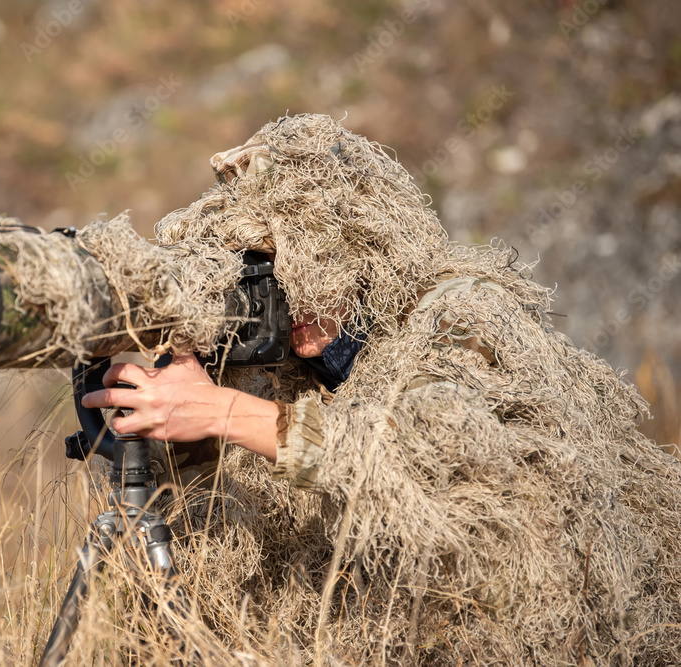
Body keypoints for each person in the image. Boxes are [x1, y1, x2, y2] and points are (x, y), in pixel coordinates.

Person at [78, 114, 681, 665]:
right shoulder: (282, 362)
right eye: (265, 269)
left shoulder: (464, 315)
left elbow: (423, 459)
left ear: (367, 253)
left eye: (311, 264)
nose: (288, 293)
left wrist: (218, 410)